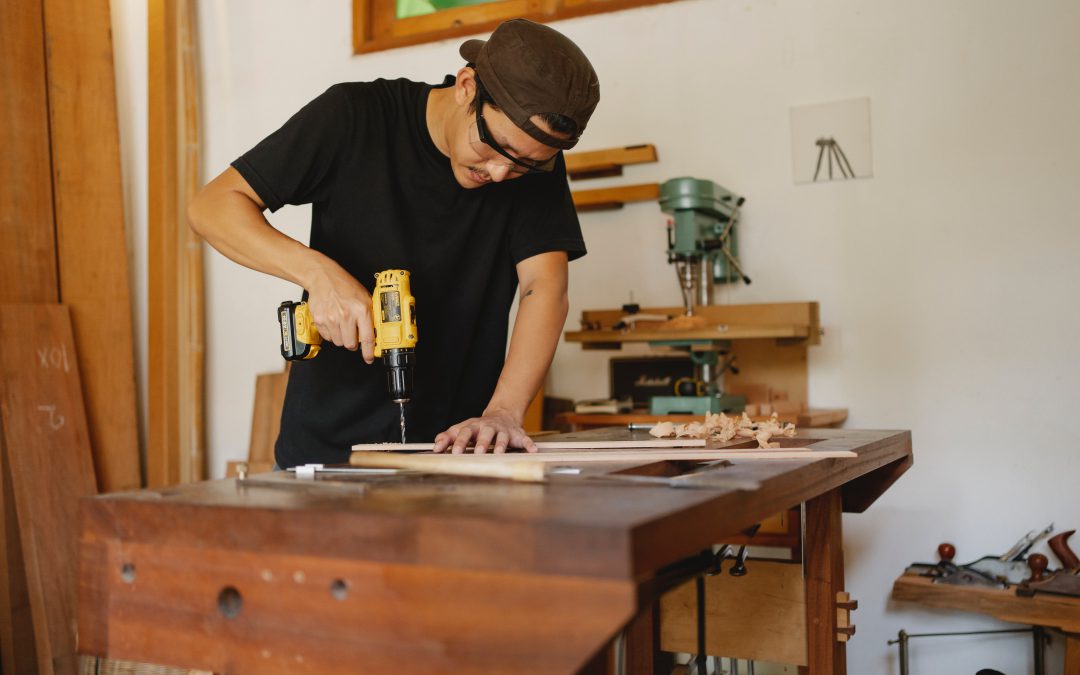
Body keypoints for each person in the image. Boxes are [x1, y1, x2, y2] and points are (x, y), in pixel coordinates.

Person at [188, 19, 600, 468]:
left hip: (455, 451)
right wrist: (319, 275)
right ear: (467, 86)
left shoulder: (532, 159)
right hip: (328, 453)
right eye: (493, 146)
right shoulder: (354, 116)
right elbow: (213, 206)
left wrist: (503, 412)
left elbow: (544, 287)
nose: (500, 173)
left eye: (524, 165)